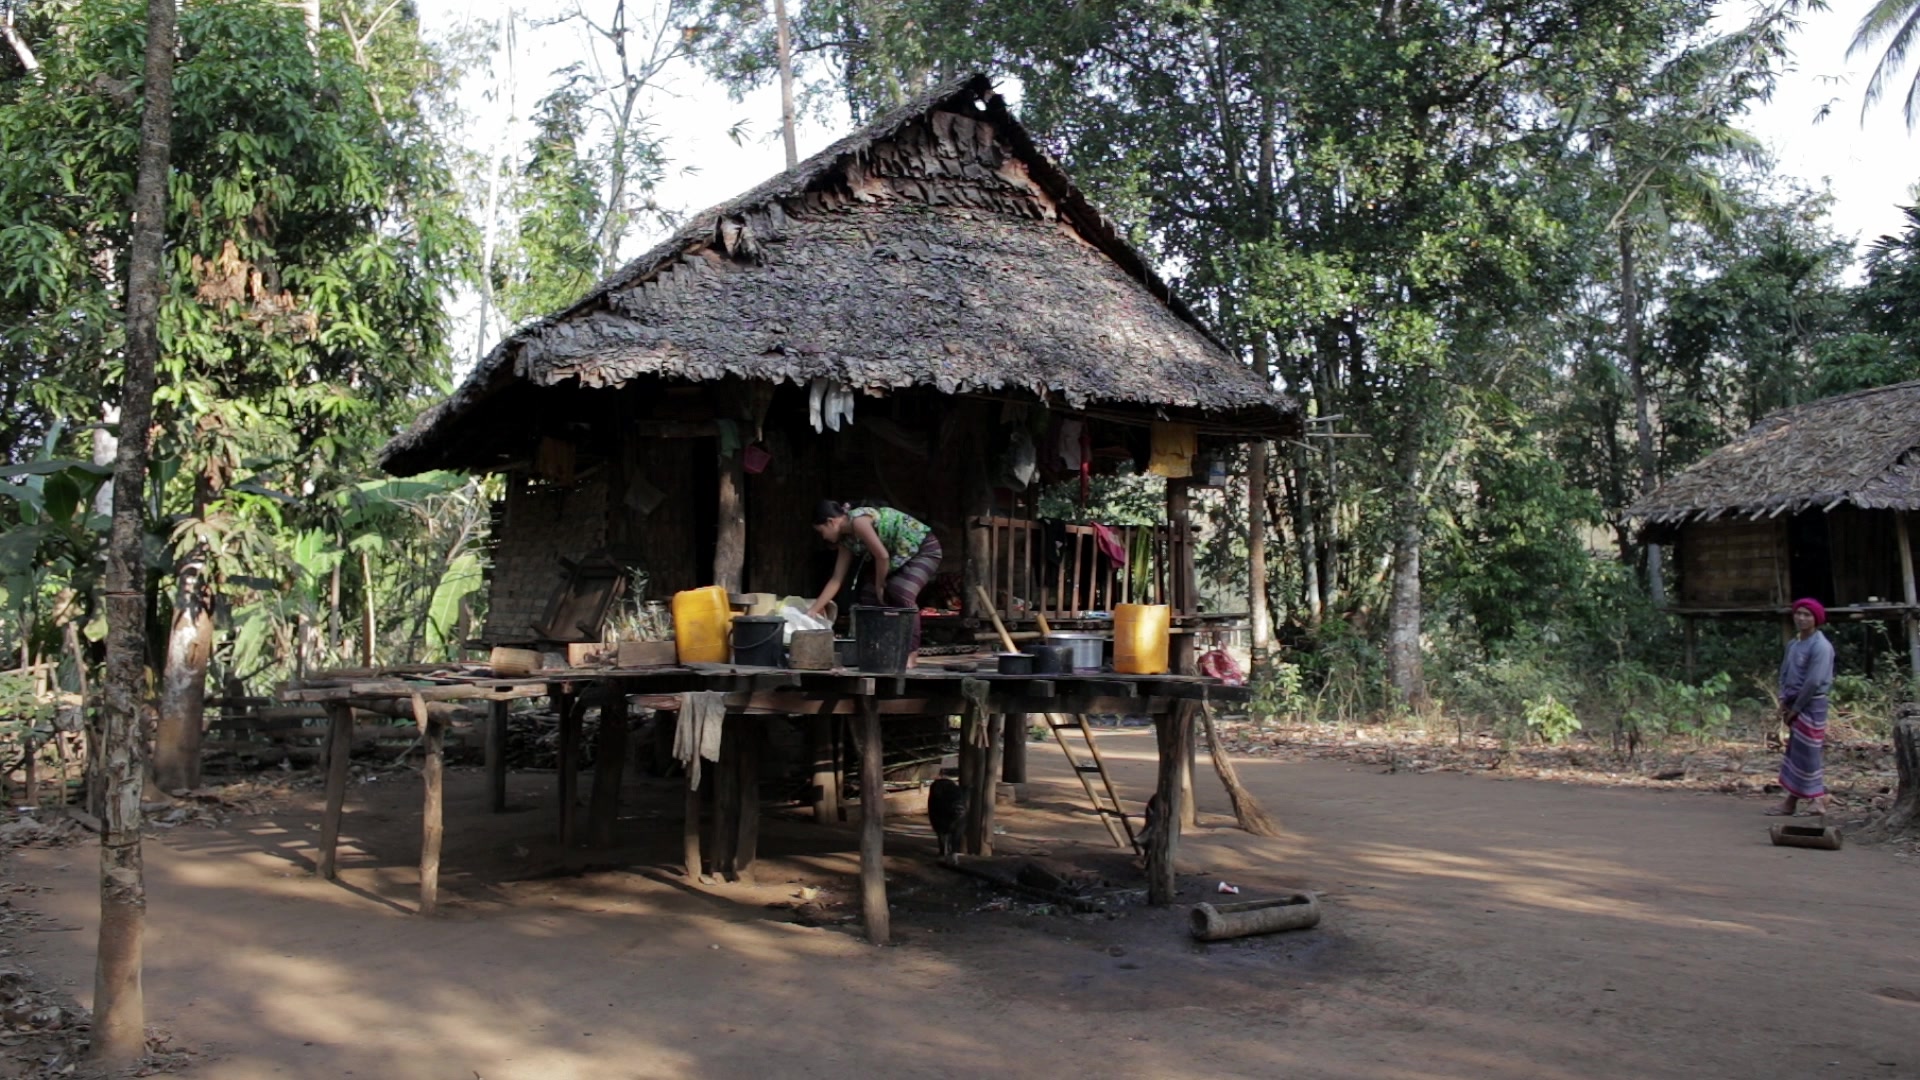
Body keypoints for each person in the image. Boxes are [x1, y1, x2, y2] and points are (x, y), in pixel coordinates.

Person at [806, 500, 942, 658]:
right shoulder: (846, 541)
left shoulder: (859, 521)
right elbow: (836, 579)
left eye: (821, 531)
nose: (823, 537)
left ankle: (910, 652)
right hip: (897, 557)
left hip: (923, 550)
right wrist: (813, 610)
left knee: (900, 591)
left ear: (830, 522)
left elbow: (882, 556)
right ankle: (879, 649)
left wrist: (880, 585)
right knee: (868, 596)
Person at [1768, 597, 1835, 817]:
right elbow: (1785, 673)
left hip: (1811, 704)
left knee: (1809, 752)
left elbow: (1813, 681)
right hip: (1793, 703)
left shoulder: (1821, 646)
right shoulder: (1794, 644)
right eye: (1799, 613)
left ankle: (1818, 800)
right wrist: (1783, 701)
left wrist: (1796, 708)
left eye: (1807, 615)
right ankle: (1791, 801)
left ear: (1816, 619)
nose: (1801, 618)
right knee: (1796, 752)